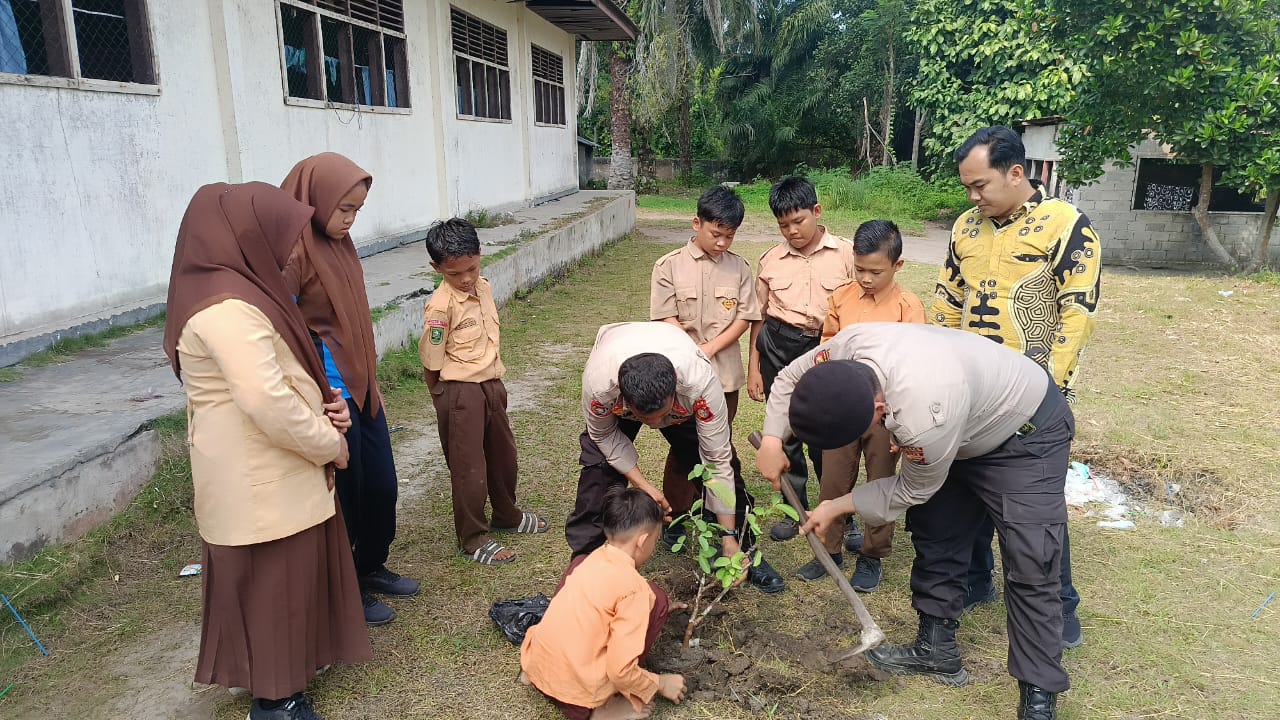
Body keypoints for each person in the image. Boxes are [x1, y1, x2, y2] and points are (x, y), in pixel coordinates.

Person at [755, 323, 1075, 720]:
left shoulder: (922, 418)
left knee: (1032, 557)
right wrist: (772, 439)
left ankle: (1039, 689)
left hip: (1023, 432)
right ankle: (936, 649)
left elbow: (910, 490)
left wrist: (836, 506)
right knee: (938, 529)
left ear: (878, 410)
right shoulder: (850, 346)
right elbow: (789, 377)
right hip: (960, 416)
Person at [164, 182, 371, 720]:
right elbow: (266, 399)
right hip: (259, 469)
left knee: (283, 581)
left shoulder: (238, 293)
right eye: (277, 236)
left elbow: (283, 375)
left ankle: (280, 674)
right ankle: (276, 701)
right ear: (244, 237)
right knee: (272, 584)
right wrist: (332, 444)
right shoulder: (227, 308)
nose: (285, 250)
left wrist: (329, 405)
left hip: (266, 463)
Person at [932, 127, 1101, 647]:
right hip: (970, 393)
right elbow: (946, 302)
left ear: (1015, 173)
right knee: (966, 488)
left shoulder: (1067, 226)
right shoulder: (966, 228)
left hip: (1031, 397)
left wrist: (1051, 389)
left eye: (980, 185)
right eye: (967, 187)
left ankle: (1060, 605)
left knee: (1036, 508)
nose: (973, 197)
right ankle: (977, 579)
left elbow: (1077, 312)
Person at [282, 153, 419, 627]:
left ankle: (371, 564)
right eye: (344, 209)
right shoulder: (293, 249)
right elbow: (283, 327)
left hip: (363, 387)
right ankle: (345, 588)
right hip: (329, 396)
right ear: (316, 199)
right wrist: (318, 390)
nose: (350, 219)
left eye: (357, 210)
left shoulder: (340, 243)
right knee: (346, 491)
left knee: (381, 485)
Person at [565, 321, 785, 594]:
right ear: (625, 400)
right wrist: (643, 485)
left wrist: (728, 537)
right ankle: (587, 562)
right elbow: (603, 436)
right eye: (648, 418)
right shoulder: (600, 387)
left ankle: (740, 546)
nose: (657, 423)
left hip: (683, 396)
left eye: (662, 415)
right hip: (617, 362)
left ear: (675, 392)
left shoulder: (700, 384)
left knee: (725, 468)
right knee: (597, 474)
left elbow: (716, 460)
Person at [797, 220, 925, 590]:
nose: (866, 279)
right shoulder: (841, 298)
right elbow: (828, 350)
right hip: (843, 409)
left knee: (882, 483)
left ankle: (873, 554)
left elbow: (915, 370)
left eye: (876, 272)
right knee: (834, 480)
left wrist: (903, 424)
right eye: (860, 269)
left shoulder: (908, 308)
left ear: (897, 266)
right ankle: (829, 549)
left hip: (887, 415)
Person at [419, 218, 548, 566]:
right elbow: (431, 362)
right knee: (468, 468)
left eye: (471, 269)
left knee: (504, 457)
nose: (465, 279)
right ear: (437, 268)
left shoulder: (485, 287)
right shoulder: (440, 307)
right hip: (461, 392)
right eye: (454, 273)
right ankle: (473, 537)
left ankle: (506, 514)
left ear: (480, 255)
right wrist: (445, 399)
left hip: (492, 385)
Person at [649, 185, 760, 546]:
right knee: (683, 448)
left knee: (716, 446)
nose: (722, 243)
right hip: (680, 378)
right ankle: (677, 516)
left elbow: (744, 318)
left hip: (722, 377)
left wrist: (708, 349)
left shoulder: (740, 269)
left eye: (729, 236)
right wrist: (690, 350)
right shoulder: (668, 266)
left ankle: (718, 513)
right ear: (697, 223)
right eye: (716, 234)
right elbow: (664, 316)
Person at [746, 176, 855, 541]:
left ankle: (836, 510)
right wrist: (754, 368)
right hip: (779, 344)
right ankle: (794, 509)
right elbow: (758, 318)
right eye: (784, 225)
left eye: (799, 221)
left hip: (826, 347)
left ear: (817, 211)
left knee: (830, 434)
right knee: (786, 432)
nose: (792, 231)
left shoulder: (847, 255)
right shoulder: (770, 261)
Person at [520, 488, 687, 720]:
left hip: (536, 666)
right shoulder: (634, 591)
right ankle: (604, 707)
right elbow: (620, 671)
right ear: (643, 540)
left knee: (654, 600)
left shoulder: (587, 561)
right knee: (656, 600)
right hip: (575, 696)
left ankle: (538, 675)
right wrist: (660, 683)